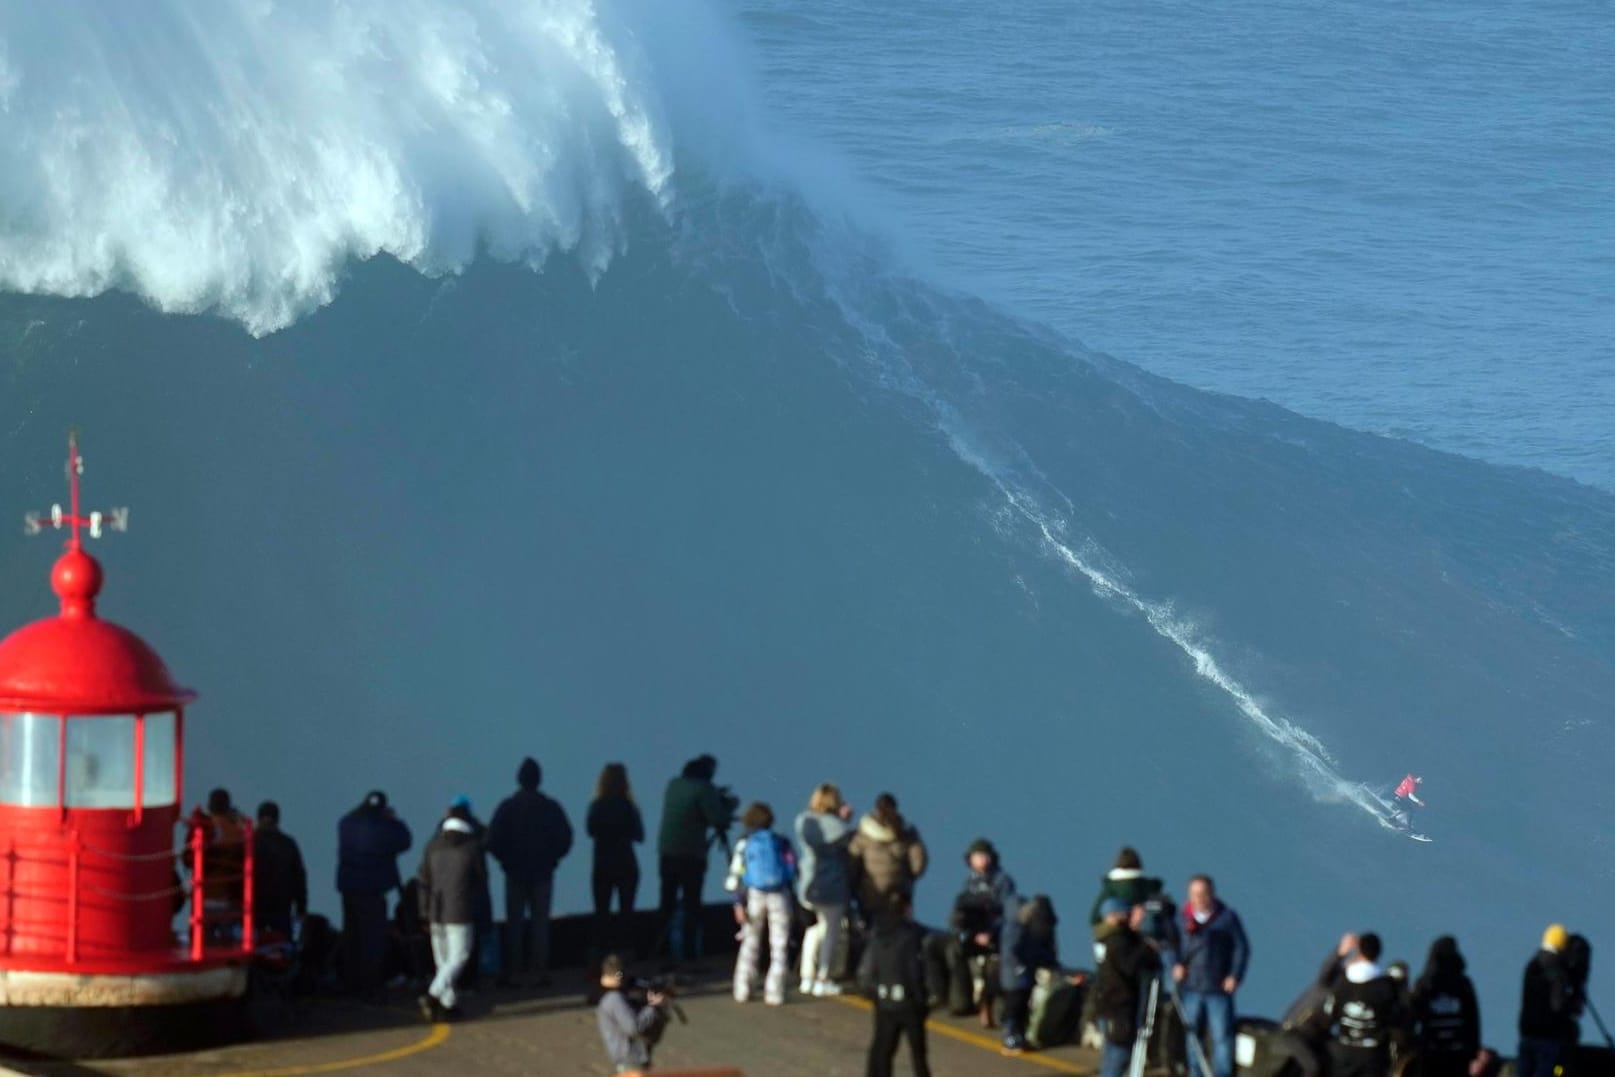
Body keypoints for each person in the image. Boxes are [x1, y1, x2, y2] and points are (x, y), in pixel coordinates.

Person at [487, 756, 573, 985]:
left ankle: (515, 972)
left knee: (514, 925)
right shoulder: (550, 807)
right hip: (543, 873)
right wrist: (553, 859)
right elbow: (566, 838)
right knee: (540, 925)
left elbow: (492, 839)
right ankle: (540, 972)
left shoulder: (508, 807)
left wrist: (504, 861)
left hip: (514, 873)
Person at [1170, 874, 1249, 1077]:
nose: (1199, 898)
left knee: (1221, 1036)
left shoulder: (1227, 918)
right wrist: (1175, 964)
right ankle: (1196, 1073)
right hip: (1191, 988)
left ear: (1211, 894)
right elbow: (1172, 945)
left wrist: (1234, 975)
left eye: (1203, 894)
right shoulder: (1181, 918)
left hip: (1218, 989)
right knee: (1192, 1035)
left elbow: (1241, 948)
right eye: (1194, 894)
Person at [657, 755, 732, 963]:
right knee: (692, 904)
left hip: (667, 852)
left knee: (667, 902)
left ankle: (662, 951)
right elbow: (717, 818)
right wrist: (724, 805)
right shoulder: (704, 790)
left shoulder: (674, 785)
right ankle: (690, 955)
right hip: (690, 854)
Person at [337, 790, 413, 995]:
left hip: (349, 889)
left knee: (352, 938)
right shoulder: (382, 828)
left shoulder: (347, 823)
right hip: (372, 891)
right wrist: (395, 821)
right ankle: (371, 986)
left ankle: (351, 984)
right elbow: (405, 841)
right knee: (372, 941)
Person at [934, 839, 1017, 1028]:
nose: (981, 860)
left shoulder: (1002, 881)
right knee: (953, 950)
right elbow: (960, 911)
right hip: (973, 934)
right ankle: (960, 1002)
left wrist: (990, 933)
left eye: (984, 856)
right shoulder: (970, 882)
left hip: (996, 935)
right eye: (976, 856)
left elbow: (1008, 913)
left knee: (995, 965)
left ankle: (992, 1009)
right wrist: (966, 932)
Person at [415, 802, 486, 1021]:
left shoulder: (432, 845)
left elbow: (423, 881)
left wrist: (424, 911)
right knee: (459, 957)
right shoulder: (472, 847)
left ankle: (448, 1004)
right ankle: (433, 995)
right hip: (461, 911)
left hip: (436, 912)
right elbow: (480, 881)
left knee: (443, 960)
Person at [725, 801, 797, 1006]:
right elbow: (792, 868)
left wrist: (737, 904)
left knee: (750, 941)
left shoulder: (744, 842)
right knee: (779, 944)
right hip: (780, 895)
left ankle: (743, 988)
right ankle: (775, 991)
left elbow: (734, 876)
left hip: (754, 896)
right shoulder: (781, 842)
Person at [858, 893, 934, 1077]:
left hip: (884, 1000)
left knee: (882, 1049)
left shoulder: (878, 933)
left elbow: (867, 970)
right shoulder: (912, 936)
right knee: (918, 1054)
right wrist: (922, 1000)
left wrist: (874, 993)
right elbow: (913, 970)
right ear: (907, 908)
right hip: (908, 1002)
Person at [795, 782, 856, 996]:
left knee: (814, 930)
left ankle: (806, 977)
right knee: (831, 932)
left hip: (807, 885)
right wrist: (845, 821)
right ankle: (823, 978)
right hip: (832, 886)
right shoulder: (838, 827)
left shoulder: (803, 821)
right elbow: (850, 848)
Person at [1322, 932, 1406, 1077]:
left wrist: (1340, 954)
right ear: (1379, 954)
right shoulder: (1387, 987)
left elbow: (1330, 1013)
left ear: (1359, 951)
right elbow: (1396, 1019)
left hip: (1345, 1052)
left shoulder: (1342, 983)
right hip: (1372, 1056)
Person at [1093, 898, 1159, 1077]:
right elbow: (1130, 965)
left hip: (1109, 1008)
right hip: (1119, 1010)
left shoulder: (1105, 937)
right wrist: (1147, 947)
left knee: (1111, 1058)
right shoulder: (1117, 941)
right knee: (1118, 1059)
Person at [587, 763, 645, 956]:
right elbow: (639, 835)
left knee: (601, 912)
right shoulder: (629, 807)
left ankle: (600, 954)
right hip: (626, 863)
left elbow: (590, 830)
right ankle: (626, 952)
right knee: (626, 912)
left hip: (602, 864)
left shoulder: (596, 806)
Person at [847, 792, 929, 920]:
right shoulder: (907, 833)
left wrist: (853, 887)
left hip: (870, 894)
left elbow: (852, 863)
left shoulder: (863, 834)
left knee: (872, 933)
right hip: (898, 895)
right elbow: (918, 865)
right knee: (899, 933)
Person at [1410, 935, 1481, 1077]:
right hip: (1458, 1052)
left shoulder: (1424, 984)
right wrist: (1474, 1052)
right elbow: (1473, 1020)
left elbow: (1414, 1015)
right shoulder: (1464, 984)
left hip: (1431, 1051)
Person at [1517, 923, 1581, 1077]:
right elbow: (1558, 1006)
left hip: (1527, 1032)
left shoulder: (1532, 965)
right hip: (1548, 1038)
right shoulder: (1557, 971)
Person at [596, 953, 669, 1074]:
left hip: (629, 1060)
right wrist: (652, 1007)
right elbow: (634, 1028)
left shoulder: (610, 995)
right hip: (630, 1062)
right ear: (619, 975)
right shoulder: (614, 998)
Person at [252, 800, 308, 940]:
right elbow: (299, 878)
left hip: (253, 907)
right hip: (281, 908)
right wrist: (301, 907)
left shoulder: (249, 843)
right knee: (283, 945)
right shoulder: (288, 844)